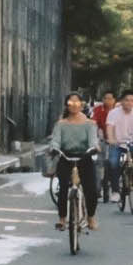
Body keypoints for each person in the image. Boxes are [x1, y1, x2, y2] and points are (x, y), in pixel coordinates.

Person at [47, 94, 99, 229]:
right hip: (66, 157)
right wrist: (54, 148)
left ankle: (91, 217)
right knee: (63, 187)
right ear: (66, 105)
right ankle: (62, 218)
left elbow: (93, 140)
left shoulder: (90, 124)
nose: (74, 105)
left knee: (92, 190)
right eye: (71, 102)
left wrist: (94, 148)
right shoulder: (61, 124)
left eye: (77, 102)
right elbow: (55, 140)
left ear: (82, 104)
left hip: (85, 157)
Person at [102, 89, 133, 203]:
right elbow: (109, 127)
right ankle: (115, 191)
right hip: (117, 143)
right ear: (121, 101)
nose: (129, 103)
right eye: (126, 100)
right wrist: (111, 139)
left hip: (132, 142)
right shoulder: (113, 113)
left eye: (132, 101)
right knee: (113, 163)